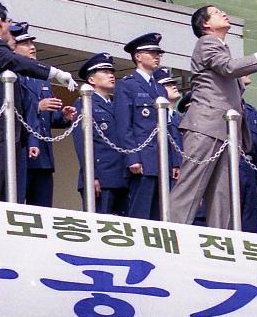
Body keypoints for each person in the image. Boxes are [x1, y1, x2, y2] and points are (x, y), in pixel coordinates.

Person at [169, 4, 257, 228]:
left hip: (224, 129)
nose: (223, 13)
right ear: (205, 24)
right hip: (206, 124)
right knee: (191, 187)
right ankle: (173, 231)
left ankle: (218, 239)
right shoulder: (207, 42)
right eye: (216, 12)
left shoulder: (221, 46)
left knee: (222, 194)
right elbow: (228, 68)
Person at [0, 2, 76, 202]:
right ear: (0, 22)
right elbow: (17, 61)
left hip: (4, 130)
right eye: (8, 21)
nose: (9, 26)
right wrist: (55, 73)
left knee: (7, 192)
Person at [14, 22, 76, 207]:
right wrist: (38, 106)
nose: (32, 47)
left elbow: (46, 119)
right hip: (22, 150)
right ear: (13, 47)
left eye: (32, 43)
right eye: (25, 43)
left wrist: (63, 116)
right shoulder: (12, 75)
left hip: (43, 155)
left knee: (43, 207)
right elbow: (14, 110)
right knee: (18, 203)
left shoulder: (41, 77)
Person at [115, 32, 169, 219]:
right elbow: (124, 125)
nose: (157, 57)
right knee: (140, 212)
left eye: (158, 53)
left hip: (160, 160)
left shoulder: (160, 88)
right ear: (138, 57)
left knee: (158, 214)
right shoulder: (127, 85)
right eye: (152, 52)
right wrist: (132, 157)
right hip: (142, 159)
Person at [73, 52, 127, 214]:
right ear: (91, 80)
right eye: (105, 72)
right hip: (101, 177)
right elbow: (81, 142)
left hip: (122, 177)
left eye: (111, 72)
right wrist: (92, 175)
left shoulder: (117, 104)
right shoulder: (84, 102)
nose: (111, 75)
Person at [239, 74, 257, 234]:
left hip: (249, 169)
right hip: (230, 166)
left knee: (249, 220)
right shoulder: (226, 107)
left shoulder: (252, 112)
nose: (248, 73)